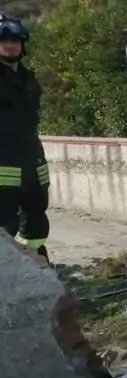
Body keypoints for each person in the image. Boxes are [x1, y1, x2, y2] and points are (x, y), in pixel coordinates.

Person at [0, 13, 51, 261]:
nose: (10, 45)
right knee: (4, 220)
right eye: (4, 40)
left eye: (15, 40)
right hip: (3, 159)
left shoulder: (28, 78)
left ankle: (36, 258)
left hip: (32, 157)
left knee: (36, 215)